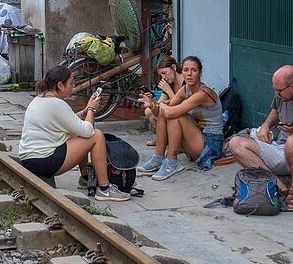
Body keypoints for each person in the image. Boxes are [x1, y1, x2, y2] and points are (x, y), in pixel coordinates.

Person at [18, 66, 130, 202]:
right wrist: (90, 110)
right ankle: (104, 189)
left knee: (78, 134)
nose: (74, 85)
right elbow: (88, 131)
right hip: (44, 161)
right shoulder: (57, 104)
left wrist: (83, 113)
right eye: (71, 83)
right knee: (97, 135)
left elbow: (67, 122)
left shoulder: (39, 99)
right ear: (60, 85)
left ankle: (85, 179)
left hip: (29, 160)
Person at [227, 65, 293, 212]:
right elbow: (275, 112)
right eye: (274, 89)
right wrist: (265, 127)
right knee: (236, 143)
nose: (276, 93)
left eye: (279, 90)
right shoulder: (282, 97)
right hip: (281, 150)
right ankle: (280, 187)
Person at [136, 56, 223, 181]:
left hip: (210, 144)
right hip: (195, 139)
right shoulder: (185, 90)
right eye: (186, 70)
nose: (189, 74)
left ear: (200, 73)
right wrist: (152, 105)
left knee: (175, 116)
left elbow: (171, 112)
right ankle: (158, 158)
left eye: (194, 70)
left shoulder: (203, 94)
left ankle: (172, 162)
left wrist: (162, 106)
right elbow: (162, 111)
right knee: (165, 113)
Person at [138, 56, 181, 153]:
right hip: (173, 113)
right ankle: (163, 139)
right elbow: (159, 104)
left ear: (173, 67)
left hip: (184, 117)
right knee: (149, 111)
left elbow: (182, 106)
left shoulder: (184, 82)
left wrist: (168, 90)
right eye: (161, 75)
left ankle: (177, 144)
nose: (163, 77)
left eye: (164, 73)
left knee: (167, 112)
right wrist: (151, 101)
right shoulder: (169, 83)